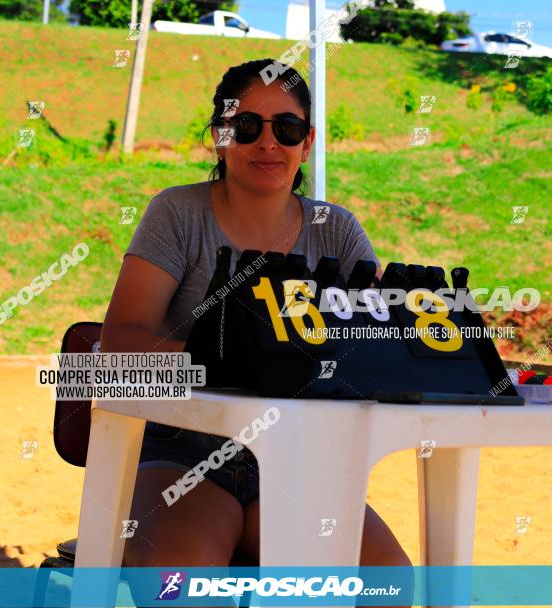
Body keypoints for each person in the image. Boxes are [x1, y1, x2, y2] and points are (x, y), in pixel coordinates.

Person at [101, 58, 412, 597]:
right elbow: (119, 342)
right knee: (176, 581)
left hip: (301, 462)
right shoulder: (178, 213)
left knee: (387, 582)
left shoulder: (336, 230)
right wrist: (224, 360)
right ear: (220, 137)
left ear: (307, 142)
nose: (268, 143)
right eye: (246, 126)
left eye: (287, 128)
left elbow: (376, 343)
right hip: (184, 455)